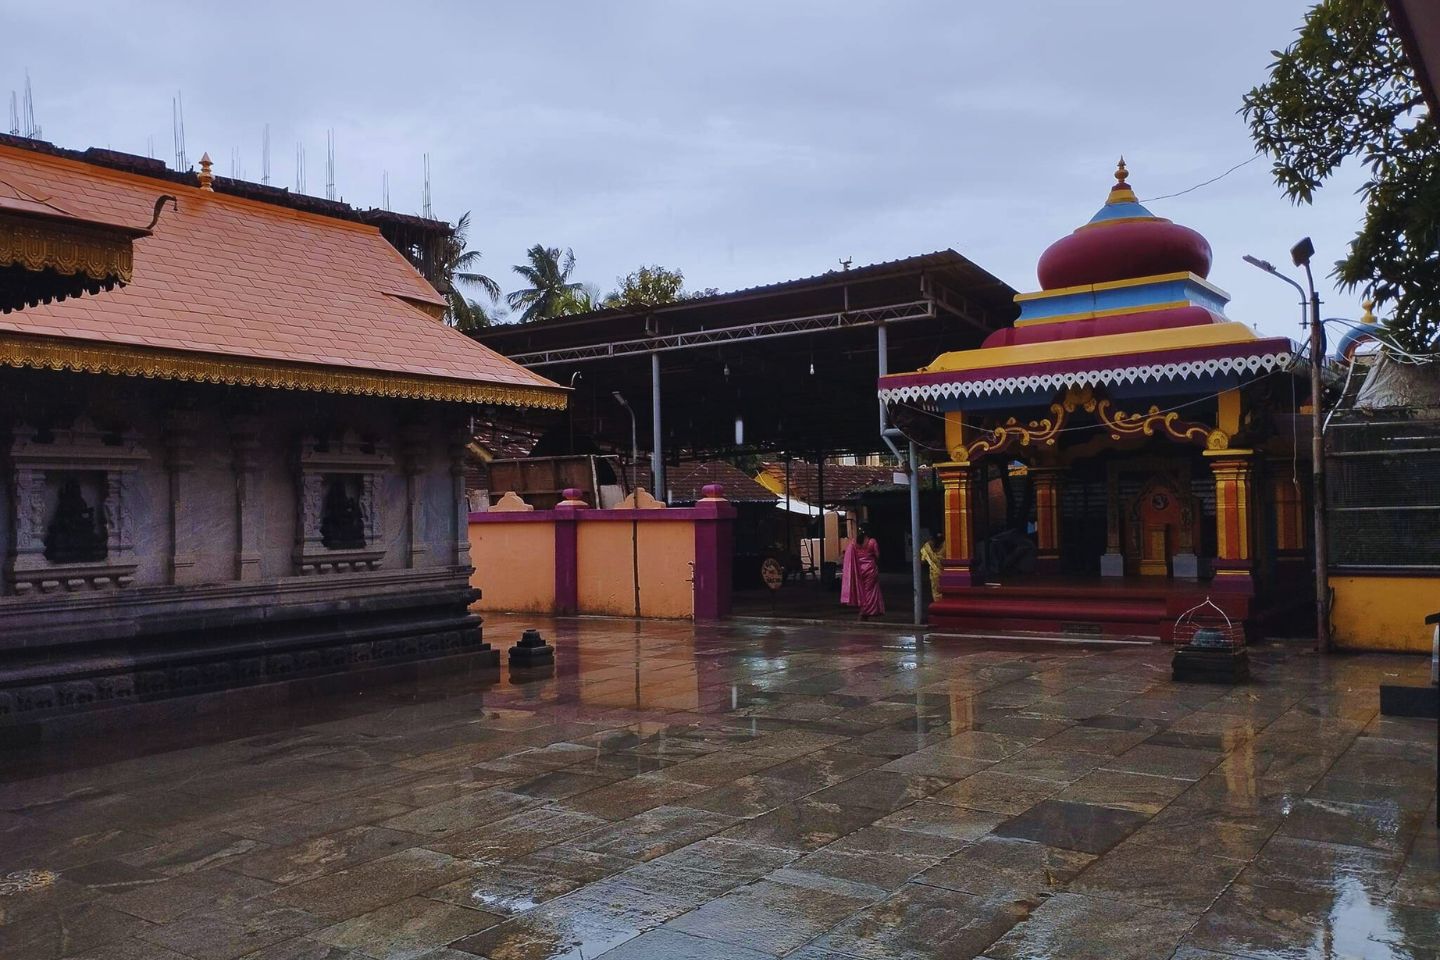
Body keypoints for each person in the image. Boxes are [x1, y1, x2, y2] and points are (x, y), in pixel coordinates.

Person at [840, 526, 884, 620]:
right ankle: (864, 612)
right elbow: (877, 555)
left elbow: (847, 555)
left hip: (858, 570)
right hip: (870, 570)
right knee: (869, 592)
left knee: (862, 591)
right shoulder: (872, 542)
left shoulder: (853, 542)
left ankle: (865, 612)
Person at [919, 533, 945, 601]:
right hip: (946, 572)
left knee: (936, 592)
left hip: (935, 573)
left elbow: (922, 561)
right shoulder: (947, 545)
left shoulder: (927, 547)